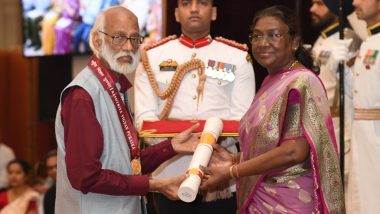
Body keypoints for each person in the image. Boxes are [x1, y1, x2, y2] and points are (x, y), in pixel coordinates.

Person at [55, 6, 201, 214]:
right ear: (97, 40)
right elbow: (86, 177)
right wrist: (152, 185)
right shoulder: (82, 96)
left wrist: (171, 146)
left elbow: (126, 163)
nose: (128, 46)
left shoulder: (116, 87)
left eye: (134, 38)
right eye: (118, 37)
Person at [200, 5, 344, 213]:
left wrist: (233, 171)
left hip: (291, 201)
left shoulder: (300, 83)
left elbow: (293, 151)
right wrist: (235, 158)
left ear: (294, 42)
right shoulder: (272, 81)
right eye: (256, 36)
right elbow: (270, 147)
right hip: (263, 198)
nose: (263, 43)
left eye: (273, 35)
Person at [134, 0, 255, 213]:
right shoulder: (152, 57)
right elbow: (144, 120)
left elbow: (243, 119)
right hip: (170, 171)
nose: (193, 8)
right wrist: (176, 143)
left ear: (214, 12)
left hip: (219, 172)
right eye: (185, 3)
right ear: (176, 13)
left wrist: (208, 143)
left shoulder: (236, 57)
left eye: (202, 3)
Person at [309, 0, 361, 196]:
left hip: (339, 127)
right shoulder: (322, 39)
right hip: (320, 127)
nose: (312, 9)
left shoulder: (348, 39)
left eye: (319, 3)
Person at [337, 0, 380, 213]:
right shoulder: (368, 42)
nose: (355, 2)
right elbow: (358, 96)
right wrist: (344, 71)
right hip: (361, 135)